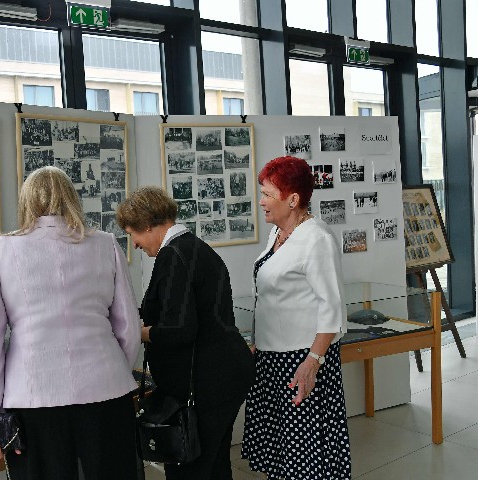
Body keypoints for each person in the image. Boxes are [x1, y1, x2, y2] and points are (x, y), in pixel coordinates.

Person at [0, 166, 141, 480]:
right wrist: (114, 370)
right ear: (72, 198)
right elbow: (129, 328)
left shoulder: (0, 249)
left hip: (34, 394)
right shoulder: (106, 244)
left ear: (27, 201)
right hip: (106, 389)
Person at [116, 186, 255, 480]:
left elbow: (179, 329)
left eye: (132, 234)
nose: (135, 244)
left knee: (190, 470)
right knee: (215, 465)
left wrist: (141, 333)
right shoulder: (195, 248)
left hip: (207, 383)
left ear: (147, 224)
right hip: (225, 375)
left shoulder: (172, 256)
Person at [241, 156, 351, 479]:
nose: (261, 201)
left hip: (301, 360)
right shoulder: (277, 234)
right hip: (272, 359)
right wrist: (259, 342)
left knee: (304, 452)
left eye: (267, 194)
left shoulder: (316, 238)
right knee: (280, 451)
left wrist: (313, 362)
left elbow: (332, 308)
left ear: (292, 199)